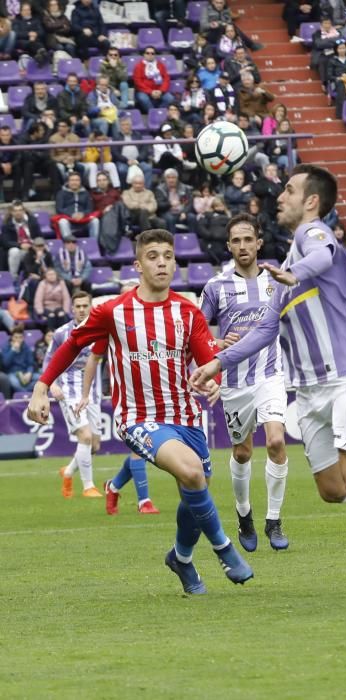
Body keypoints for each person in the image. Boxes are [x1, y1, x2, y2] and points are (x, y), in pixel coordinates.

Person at [191, 164, 346, 601]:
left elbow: (325, 254)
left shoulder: (313, 237)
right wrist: (215, 365)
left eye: (289, 190)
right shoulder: (285, 265)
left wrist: (295, 274)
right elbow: (264, 331)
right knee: (334, 491)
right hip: (309, 391)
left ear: (311, 202)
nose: (281, 196)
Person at [27, 228, 254, 595]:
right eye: (153, 256)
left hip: (186, 416)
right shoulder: (113, 311)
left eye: (167, 255)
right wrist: (40, 388)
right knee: (193, 473)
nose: (162, 261)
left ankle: (180, 558)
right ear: (137, 265)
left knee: (194, 487)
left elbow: (207, 360)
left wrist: (212, 378)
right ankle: (224, 548)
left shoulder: (187, 312)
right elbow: (71, 346)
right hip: (137, 416)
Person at [200, 213, 289, 551]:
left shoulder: (276, 281)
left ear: (259, 242)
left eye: (248, 239)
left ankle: (274, 520)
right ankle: (244, 515)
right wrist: (216, 346)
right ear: (228, 246)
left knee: (277, 441)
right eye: (235, 241)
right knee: (242, 452)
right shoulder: (216, 287)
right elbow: (197, 332)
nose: (242, 246)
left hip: (270, 375)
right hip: (235, 384)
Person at [76, 349, 160, 514]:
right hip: (128, 400)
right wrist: (85, 394)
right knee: (139, 448)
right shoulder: (118, 332)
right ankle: (144, 502)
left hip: (152, 396)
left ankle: (112, 486)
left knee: (144, 451)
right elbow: (95, 358)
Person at [43, 291, 102, 499]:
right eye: (78, 306)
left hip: (92, 392)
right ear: (72, 308)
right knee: (85, 436)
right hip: (68, 390)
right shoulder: (61, 333)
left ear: (91, 307)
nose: (82, 310)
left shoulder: (99, 331)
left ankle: (67, 472)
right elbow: (49, 360)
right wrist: (52, 385)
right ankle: (89, 487)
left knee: (94, 444)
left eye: (85, 306)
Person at [133, 46, 174, 113]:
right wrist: (151, 92)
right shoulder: (138, 66)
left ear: (155, 55)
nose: (150, 55)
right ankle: (153, 114)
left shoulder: (160, 65)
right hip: (144, 91)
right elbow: (138, 82)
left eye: (152, 53)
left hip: (159, 91)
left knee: (170, 98)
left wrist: (160, 91)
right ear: (144, 54)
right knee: (143, 98)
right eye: (147, 53)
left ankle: (160, 112)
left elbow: (166, 79)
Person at [1, 324, 39, 395]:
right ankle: (26, 394)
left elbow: (30, 363)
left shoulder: (26, 347)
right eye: (16, 337)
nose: (18, 339)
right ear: (12, 337)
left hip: (25, 372)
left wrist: (29, 373)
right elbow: (5, 364)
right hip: (12, 373)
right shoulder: (6, 347)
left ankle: (24, 393)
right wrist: (13, 350)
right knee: (14, 383)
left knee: (40, 378)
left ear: (23, 338)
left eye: (20, 337)